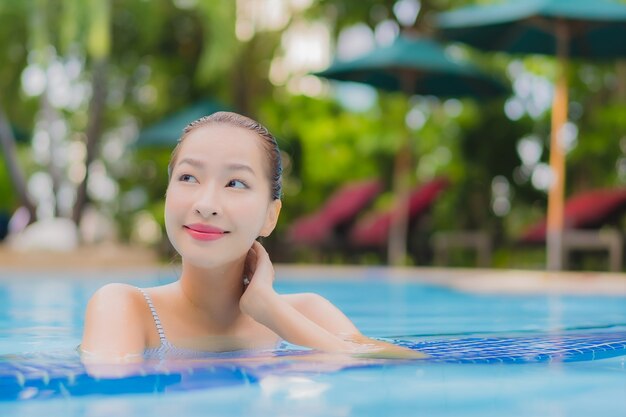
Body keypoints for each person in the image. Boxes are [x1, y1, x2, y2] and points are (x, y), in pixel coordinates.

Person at [81, 111, 423, 363]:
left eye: (236, 183)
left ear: (270, 217)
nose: (206, 204)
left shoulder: (307, 311)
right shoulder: (125, 307)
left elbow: (402, 363)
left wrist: (271, 310)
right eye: (188, 178)